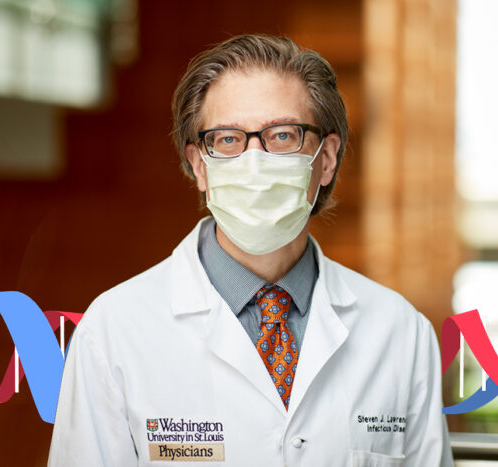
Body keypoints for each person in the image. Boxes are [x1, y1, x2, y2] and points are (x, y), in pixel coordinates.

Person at [48, 34, 454, 466]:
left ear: (327, 157)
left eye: (282, 135)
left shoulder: (400, 333)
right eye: (227, 139)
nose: (255, 161)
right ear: (200, 165)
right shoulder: (114, 330)